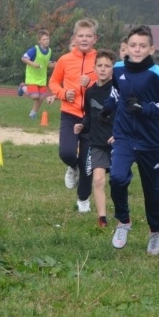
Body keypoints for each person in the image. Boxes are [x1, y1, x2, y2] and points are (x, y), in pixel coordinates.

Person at [104, 25, 159, 254]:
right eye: (133, 45)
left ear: (151, 48)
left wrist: (144, 108)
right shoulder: (117, 69)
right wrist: (109, 105)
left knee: (151, 188)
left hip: (149, 141)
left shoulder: (156, 73)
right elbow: (117, 91)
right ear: (127, 46)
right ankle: (123, 221)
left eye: (142, 46)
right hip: (124, 136)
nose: (137, 50)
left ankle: (156, 231)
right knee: (116, 177)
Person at [47, 18, 98, 212]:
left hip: (93, 118)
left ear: (95, 38)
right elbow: (53, 82)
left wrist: (92, 82)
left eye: (88, 36)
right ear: (74, 38)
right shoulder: (65, 60)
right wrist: (62, 94)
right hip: (69, 113)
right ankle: (72, 167)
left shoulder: (100, 60)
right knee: (67, 152)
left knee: (88, 162)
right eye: (80, 36)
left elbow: (109, 83)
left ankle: (83, 200)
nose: (84, 39)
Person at [75, 49, 117, 227]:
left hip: (117, 143)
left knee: (118, 182)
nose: (103, 69)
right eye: (100, 65)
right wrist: (82, 125)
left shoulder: (117, 90)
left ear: (113, 69)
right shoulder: (90, 92)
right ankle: (102, 218)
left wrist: (119, 134)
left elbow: (124, 115)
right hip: (97, 143)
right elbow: (88, 115)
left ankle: (122, 213)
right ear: (94, 68)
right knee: (98, 179)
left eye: (107, 66)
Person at [18, 29, 55, 119]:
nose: (47, 41)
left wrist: (55, 65)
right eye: (44, 39)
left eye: (48, 39)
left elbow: (48, 64)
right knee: (35, 96)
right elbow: (23, 58)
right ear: (39, 41)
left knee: (41, 97)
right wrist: (33, 64)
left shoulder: (49, 51)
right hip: (32, 77)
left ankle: (33, 114)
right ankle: (23, 87)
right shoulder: (34, 50)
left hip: (42, 78)